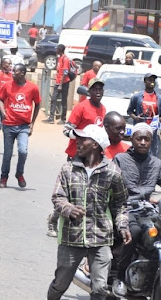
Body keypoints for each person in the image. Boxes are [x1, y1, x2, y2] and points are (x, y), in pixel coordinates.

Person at [47, 125, 130, 300]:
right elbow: (57, 197)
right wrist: (69, 209)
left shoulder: (112, 172)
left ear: (95, 144)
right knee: (60, 284)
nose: (78, 142)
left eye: (82, 139)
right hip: (72, 237)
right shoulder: (68, 169)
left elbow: (121, 203)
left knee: (99, 288)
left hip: (101, 238)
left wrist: (123, 225)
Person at [47, 78, 107, 237]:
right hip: (76, 155)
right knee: (69, 192)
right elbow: (66, 130)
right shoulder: (81, 107)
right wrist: (82, 138)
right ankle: (53, 220)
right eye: (95, 89)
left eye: (101, 89)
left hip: (92, 158)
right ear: (89, 91)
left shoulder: (103, 109)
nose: (98, 92)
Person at [113, 122, 161, 291]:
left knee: (155, 234)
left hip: (147, 210)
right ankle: (119, 277)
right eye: (139, 138)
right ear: (132, 139)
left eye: (146, 139)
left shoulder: (156, 163)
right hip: (125, 207)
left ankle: (149, 276)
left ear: (151, 141)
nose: (142, 142)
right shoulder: (120, 159)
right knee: (133, 232)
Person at [0, 63, 41, 188]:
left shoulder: (33, 88)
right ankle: (4, 177)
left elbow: (37, 104)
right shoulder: (7, 86)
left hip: (23, 125)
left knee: (23, 151)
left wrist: (32, 123)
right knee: (7, 154)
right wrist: (2, 110)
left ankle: (19, 173)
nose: (12, 73)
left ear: (22, 73)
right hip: (9, 124)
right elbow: (0, 99)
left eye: (15, 71)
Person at [127, 72, 161, 158]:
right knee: (139, 149)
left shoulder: (159, 98)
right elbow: (129, 111)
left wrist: (158, 120)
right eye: (149, 80)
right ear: (145, 81)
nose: (152, 82)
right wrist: (136, 118)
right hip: (141, 128)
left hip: (153, 130)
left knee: (153, 153)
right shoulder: (137, 97)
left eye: (153, 80)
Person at [44, 44, 72, 124]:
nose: (56, 50)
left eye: (57, 49)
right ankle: (51, 118)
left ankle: (63, 119)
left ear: (60, 49)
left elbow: (65, 72)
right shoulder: (59, 58)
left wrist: (60, 84)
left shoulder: (65, 59)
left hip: (64, 83)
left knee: (64, 101)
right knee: (53, 99)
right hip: (58, 82)